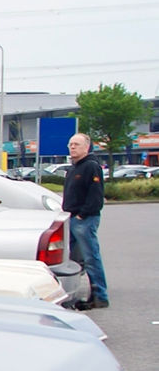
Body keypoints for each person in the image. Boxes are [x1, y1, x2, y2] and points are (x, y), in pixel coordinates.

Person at [63, 132, 108, 309]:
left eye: (77, 144)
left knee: (91, 258)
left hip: (84, 220)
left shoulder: (91, 167)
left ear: (86, 147)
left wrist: (82, 214)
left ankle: (100, 296)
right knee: (73, 260)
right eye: (71, 144)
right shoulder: (73, 168)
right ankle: (71, 293)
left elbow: (96, 197)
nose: (72, 147)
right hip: (72, 219)